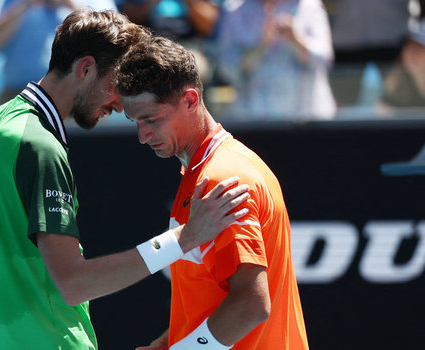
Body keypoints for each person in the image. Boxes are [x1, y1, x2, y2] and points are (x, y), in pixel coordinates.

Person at [0, 9, 251, 350]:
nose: (121, 104)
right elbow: (73, 284)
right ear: (85, 68)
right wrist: (184, 238)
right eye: (116, 86)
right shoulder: (41, 148)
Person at [116, 35, 308, 349]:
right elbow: (214, 298)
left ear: (190, 100)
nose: (143, 135)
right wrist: (169, 342)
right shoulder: (210, 169)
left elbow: (251, 305)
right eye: (136, 121)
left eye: (152, 119)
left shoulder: (221, 178)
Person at [215, 0, 335, 120]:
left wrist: (296, 40)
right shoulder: (235, 10)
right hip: (254, 121)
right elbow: (226, 70)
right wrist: (261, 46)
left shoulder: (309, 6)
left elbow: (325, 60)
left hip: (307, 119)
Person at [0, 0, 116, 104]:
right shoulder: (7, 2)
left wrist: (70, 6)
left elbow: (111, 40)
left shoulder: (92, 2)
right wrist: (23, 5)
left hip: (78, 93)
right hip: (18, 92)